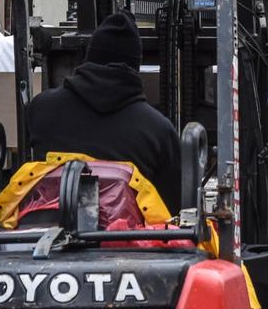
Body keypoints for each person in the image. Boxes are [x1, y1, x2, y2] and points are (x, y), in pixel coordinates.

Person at [27, 12, 182, 211]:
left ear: (89, 56)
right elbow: (175, 210)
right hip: (128, 240)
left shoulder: (41, 110)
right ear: (135, 65)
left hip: (46, 234)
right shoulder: (158, 131)